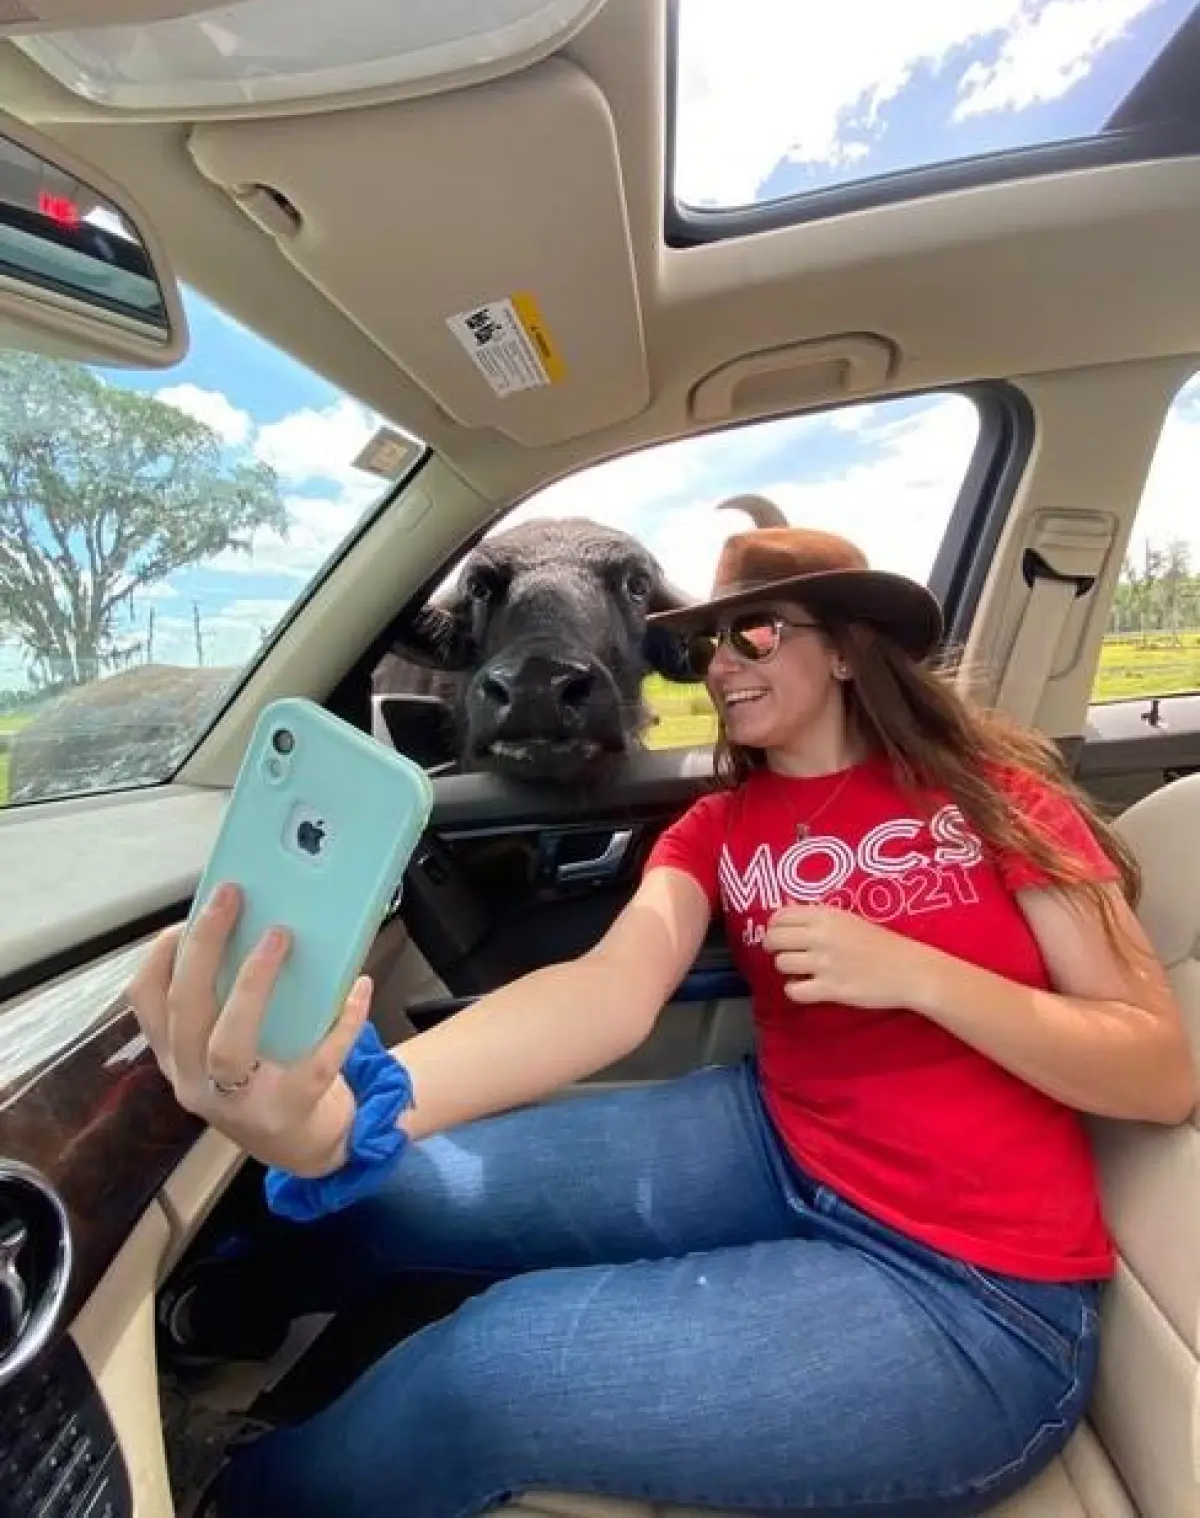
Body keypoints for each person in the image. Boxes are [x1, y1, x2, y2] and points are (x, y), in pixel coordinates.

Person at [128, 522, 1198, 1518]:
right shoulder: (717, 825)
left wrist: (922, 974)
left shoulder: (999, 803)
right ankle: (223, 1315)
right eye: (706, 640)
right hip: (782, 1137)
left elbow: (1158, 1069)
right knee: (403, 1184)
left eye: (757, 631)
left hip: (970, 1297)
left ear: (847, 649)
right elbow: (605, 991)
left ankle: (236, 1493)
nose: (722, 661)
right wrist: (357, 1106)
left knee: (486, 1368)